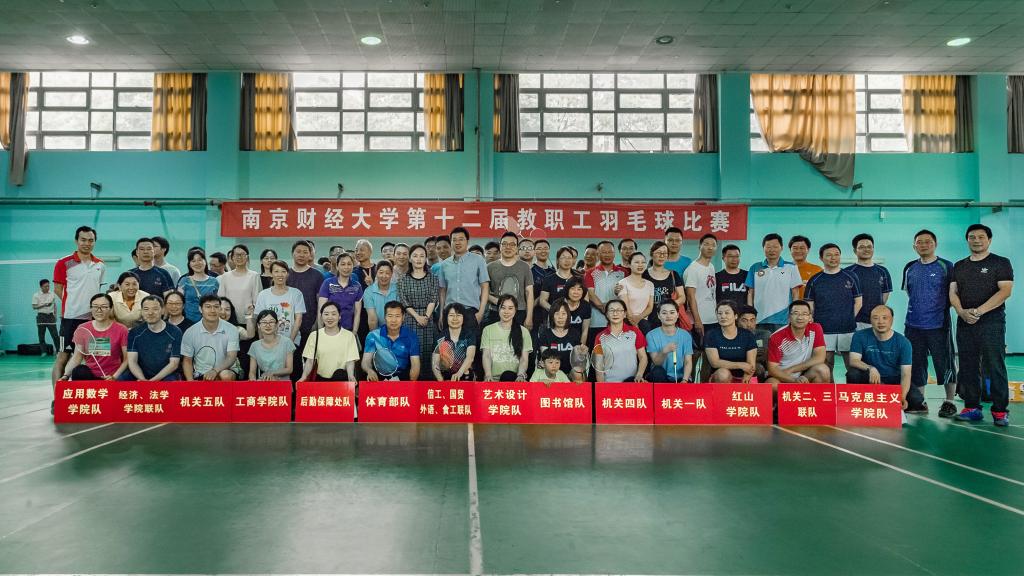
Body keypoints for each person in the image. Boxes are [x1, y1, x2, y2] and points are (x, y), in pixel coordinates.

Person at [951, 224, 1014, 426]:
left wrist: (978, 311)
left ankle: (1000, 411)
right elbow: (953, 292)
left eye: (981, 237)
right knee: (967, 366)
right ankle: (972, 407)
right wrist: (961, 312)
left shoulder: (1000, 262)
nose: (976, 240)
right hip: (965, 323)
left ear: (989, 240)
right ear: (967, 240)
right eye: (972, 237)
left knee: (994, 365)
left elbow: (1005, 291)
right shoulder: (959, 266)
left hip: (991, 323)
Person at [901, 229, 957, 417]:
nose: (923, 245)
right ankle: (920, 401)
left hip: (939, 325)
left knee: (945, 363)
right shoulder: (909, 267)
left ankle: (950, 401)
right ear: (914, 246)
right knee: (916, 364)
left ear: (935, 244)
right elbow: (909, 292)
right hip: (913, 325)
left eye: (928, 241)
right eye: (919, 242)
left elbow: (953, 294)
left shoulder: (946, 266)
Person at [803, 243, 862, 381]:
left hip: (847, 328)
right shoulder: (815, 279)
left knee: (852, 366)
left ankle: (851, 393)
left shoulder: (851, 276)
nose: (833, 258)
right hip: (824, 329)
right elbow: (810, 306)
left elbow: (859, 302)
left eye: (836, 254)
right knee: (827, 364)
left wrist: (848, 317)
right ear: (821, 258)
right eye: (829, 255)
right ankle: (829, 393)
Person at [847, 305, 912, 409]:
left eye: (885, 318)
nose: (880, 322)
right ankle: (858, 403)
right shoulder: (859, 336)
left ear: (892, 320)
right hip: (871, 378)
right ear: (870, 320)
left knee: (916, 400)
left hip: (893, 379)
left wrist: (901, 397)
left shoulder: (903, 342)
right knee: (853, 374)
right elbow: (853, 360)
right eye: (876, 318)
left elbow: (906, 374)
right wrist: (871, 368)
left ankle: (883, 396)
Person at [59, 293, 128, 381]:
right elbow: (77, 357)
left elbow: (127, 359)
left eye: (104, 307)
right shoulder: (83, 328)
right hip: (90, 376)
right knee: (79, 371)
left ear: (111, 308)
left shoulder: (121, 329)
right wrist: (66, 376)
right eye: (95, 306)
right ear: (91, 308)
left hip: (113, 376)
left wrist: (114, 376)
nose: (99, 310)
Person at [746, 233, 802, 333]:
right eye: (768, 247)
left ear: (781, 248)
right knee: (761, 343)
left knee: (782, 343)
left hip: (783, 319)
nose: (772, 250)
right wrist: (750, 314)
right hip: (759, 318)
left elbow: (795, 293)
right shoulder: (755, 267)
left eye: (775, 247)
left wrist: (793, 314)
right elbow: (750, 292)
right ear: (763, 248)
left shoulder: (791, 267)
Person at [437, 226, 490, 334]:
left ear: (467, 241)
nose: (457, 242)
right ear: (451, 242)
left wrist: (480, 313)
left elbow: (485, 287)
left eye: (461, 239)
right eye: (454, 240)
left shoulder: (478, 260)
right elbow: (442, 290)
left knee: (470, 343)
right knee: (449, 344)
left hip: (470, 312)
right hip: (449, 312)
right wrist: (441, 314)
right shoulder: (444, 264)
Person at [765, 300, 830, 386]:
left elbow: (819, 357)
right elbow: (772, 369)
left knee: (823, 370)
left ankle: (812, 395)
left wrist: (792, 369)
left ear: (810, 317)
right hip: (783, 375)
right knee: (771, 385)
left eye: (804, 314)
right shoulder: (776, 337)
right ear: (789, 317)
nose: (800, 317)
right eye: (796, 313)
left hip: (804, 374)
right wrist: (794, 380)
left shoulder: (815, 329)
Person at [181, 294, 241, 381]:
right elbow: (187, 360)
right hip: (201, 373)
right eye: (208, 307)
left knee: (225, 375)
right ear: (200, 309)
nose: (212, 310)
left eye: (216, 307)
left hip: (227, 370)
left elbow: (231, 357)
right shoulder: (190, 332)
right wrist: (190, 381)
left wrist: (215, 370)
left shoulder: (231, 329)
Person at [397, 244, 439, 369]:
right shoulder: (403, 279)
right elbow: (404, 301)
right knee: (411, 351)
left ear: (426, 258)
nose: (418, 259)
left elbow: (433, 299)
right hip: (410, 318)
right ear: (410, 259)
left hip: (428, 319)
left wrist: (426, 316)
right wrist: (417, 317)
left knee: (428, 352)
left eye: (422, 256)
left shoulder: (433, 278)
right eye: (415, 256)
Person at [123, 295, 182, 381]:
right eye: (146, 309)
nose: (150, 313)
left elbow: (174, 364)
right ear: (142, 311)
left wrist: (152, 382)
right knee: (121, 380)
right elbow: (132, 361)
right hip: (141, 374)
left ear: (163, 310)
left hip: (166, 374)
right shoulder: (135, 332)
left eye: (155, 309)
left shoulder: (175, 331)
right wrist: (142, 380)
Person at [298, 302, 360, 383]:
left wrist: (351, 376)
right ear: (321, 316)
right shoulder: (314, 335)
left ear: (339, 316)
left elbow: (350, 361)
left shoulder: (349, 336)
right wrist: (304, 377)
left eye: (334, 314)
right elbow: (310, 361)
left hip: (341, 380)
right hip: (321, 380)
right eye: (326, 314)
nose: (330, 317)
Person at [585, 240, 628, 349]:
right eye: (604, 252)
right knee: (596, 353)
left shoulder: (623, 273)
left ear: (614, 254)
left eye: (610, 252)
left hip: (618, 322)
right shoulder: (590, 273)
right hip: (596, 322)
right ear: (598, 254)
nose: (607, 255)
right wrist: (606, 309)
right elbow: (591, 295)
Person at [362, 301, 421, 381]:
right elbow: (365, 362)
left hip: (404, 378)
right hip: (380, 378)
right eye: (390, 316)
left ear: (403, 317)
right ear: (385, 317)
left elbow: (415, 365)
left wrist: (410, 384)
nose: (393, 320)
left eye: (397, 316)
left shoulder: (411, 336)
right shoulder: (373, 336)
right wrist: (369, 370)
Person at [486, 232, 535, 328]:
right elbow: (483, 292)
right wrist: (498, 301)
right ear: (500, 246)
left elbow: (529, 293)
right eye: (504, 244)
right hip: (496, 311)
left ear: (517, 248)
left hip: (519, 312)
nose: (508, 247)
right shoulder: (490, 267)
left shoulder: (525, 267)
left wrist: (529, 317)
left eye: (512, 244)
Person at [845, 233, 893, 331]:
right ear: (855, 250)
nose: (866, 249)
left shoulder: (883, 271)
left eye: (869, 247)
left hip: (876, 322)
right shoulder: (848, 272)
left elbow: (885, 294)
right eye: (862, 247)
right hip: (854, 321)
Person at [594, 298, 648, 383]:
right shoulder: (599, 337)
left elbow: (643, 357)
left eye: (619, 310)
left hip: (631, 383)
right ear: (607, 314)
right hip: (609, 384)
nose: (615, 313)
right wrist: (602, 387)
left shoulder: (635, 332)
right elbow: (599, 367)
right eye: (611, 310)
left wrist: (639, 375)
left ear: (625, 314)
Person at [481, 295, 533, 381]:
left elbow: (524, 358)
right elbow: (486, 355)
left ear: (515, 310)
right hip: (493, 380)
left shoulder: (524, 331)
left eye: (510, 308)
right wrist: (488, 375)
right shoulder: (488, 330)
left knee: (508, 376)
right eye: (503, 308)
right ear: (498, 309)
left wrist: (520, 375)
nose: (506, 311)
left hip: (515, 380)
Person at [704, 301, 757, 384]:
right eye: (719, 313)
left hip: (743, 376)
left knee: (751, 382)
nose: (723, 316)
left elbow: (751, 364)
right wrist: (740, 365)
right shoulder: (711, 335)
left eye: (727, 313)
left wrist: (747, 376)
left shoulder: (748, 335)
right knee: (723, 374)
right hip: (721, 378)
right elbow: (715, 362)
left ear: (736, 316)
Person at [254, 260, 306, 345]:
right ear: (271, 274)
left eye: (283, 271)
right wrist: (262, 343)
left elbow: (298, 319)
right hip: (269, 342)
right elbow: (260, 320)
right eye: (276, 271)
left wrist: (290, 343)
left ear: (287, 274)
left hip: (291, 340)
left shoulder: (296, 293)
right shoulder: (263, 294)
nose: (280, 275)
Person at [287, 240, 324, 347]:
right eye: (298, 251)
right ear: (292, 253)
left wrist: (317, 323)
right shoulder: (285, 274)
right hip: (288, 326)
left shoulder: (317, 275)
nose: (301, 255)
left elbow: (321, 302)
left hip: (310, 325)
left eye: (305, 252)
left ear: (310, 255)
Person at [645, 301, 694, 383]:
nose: (668, 316)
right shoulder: (651, 335)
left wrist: (685, 380)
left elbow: (688, 361)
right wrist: (664, 351)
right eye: (664, 313)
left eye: (672, 312)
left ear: (677, 315)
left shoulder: (685, 335)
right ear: (658, 315)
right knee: (657, 371)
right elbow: (656, 362)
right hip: (660, 377)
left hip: (680, 377)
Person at [684, 233, 719, 345]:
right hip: (699, 321)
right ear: (699, 246)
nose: (710, 247)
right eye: (706, 244)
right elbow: (690, 296)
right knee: (700, 352)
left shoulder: (711, 266)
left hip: (713, 319)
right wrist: (697, 320)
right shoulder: (693, 269)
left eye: (713, 245)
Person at [535, 299, 582, 381]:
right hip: (552, 372)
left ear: (568, 316)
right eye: (557, 314)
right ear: (552, 316)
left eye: (563, 314)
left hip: (569, 373)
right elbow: (546, 357)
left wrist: (582, 353)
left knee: (577, 373)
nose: (560, 317)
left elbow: (578, 360)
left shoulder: (574, 333)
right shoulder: (545, 334)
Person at [317, 252, 363, 332]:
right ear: (337, 266)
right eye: (343, 264)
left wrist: (354, 332)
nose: (346, 267)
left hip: (348, 329)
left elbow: (357, 312)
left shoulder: (357, 286)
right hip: (328, 329)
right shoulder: (328, 283)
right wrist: (320, 331)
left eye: (349, 264)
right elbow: (321, 309)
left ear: (353, 266)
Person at [644, 241, 687, 328]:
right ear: (652, 254)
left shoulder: (673, 274)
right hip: (648, 321)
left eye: (664, 253)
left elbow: (682, 297)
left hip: (669, 320)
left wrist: (669, 305)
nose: (662, 256)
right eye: (659, 253)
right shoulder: (643, 275)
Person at [432, 303, 478, 381]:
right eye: (451, 315)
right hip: (445, 377)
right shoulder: (439, 337)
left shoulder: (469, 335)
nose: (455, 319)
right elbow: (435, 363)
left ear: (463, 318)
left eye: (458, 315)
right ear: (446, 317)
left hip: (465, 376)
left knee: (467, 374)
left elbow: (470, 358)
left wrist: (459, 374)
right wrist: (441, 381)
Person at [246, 309, 295, 381]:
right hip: (264, 381)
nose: (268, 325)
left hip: (282, 383)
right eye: (264, 322)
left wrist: (272, 373)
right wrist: (253, 380)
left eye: (271, 322)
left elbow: (289, 369)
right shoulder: (254, 346)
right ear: (258, 325)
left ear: (277, 324)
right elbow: (252, 372)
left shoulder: (286, 342)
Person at [218, 244, 262, 323]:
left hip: (248, 319)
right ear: (232, 258)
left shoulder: (254, 275)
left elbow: (258, 300)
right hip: (228, 318)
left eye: (242, 254)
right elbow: (221, 299)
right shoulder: (225, 276)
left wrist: (252, 316)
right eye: (236, 255)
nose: (239, 257)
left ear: (247, 257)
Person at [615, 252, 654, 333]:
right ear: (629, 264)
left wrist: (638, 318)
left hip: (644, 322)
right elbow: (626, 307)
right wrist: (634, 324)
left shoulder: (650, 284)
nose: (640, 265)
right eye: (636, 262)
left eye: (643, 262)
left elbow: (650, 307)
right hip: (626, 321)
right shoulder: (622, 283)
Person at [177, 248, 220, 323]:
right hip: (188, 321)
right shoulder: (184, 281)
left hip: (209, 321)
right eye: (193, 261)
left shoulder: (214, 282)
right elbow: (178, 302)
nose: (197, 263)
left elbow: (218, 302)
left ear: (205, 262)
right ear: (189, 264)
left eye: (200, 260)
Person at [538, 246, 577, 321]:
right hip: (555, 319)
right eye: (563, 257)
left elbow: (584, 301)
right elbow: (542, 301)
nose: (566, 260)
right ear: (558, 260)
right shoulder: (549, 279)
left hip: (575, 318)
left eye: (569, 258)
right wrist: (555, 311)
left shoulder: (578, 279)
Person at [364, 259, 398, 331]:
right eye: (381, 272)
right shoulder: (369, 291)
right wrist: (376, 336)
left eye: (387, 273)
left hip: (397, 330)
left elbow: (399, 314)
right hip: (378, 331)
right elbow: (372, 319)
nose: (384, 276)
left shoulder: (398, 289)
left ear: (391, 274)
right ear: (376, 273)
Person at [737, 305, 770, 381]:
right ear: (737, 320)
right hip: (737, 366)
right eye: (744, 320)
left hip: (758, 367)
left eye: (752, 320)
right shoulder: (732, 335)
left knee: (758, 368)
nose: (749, 325)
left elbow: (764, 357)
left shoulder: (764, 335)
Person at [789, 235, 821, 299]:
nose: (798, 251)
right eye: (795, 248)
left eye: (802, 248)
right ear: (790, 250)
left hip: (810, 305)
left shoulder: (818, 270)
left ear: (808, 250)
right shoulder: (784, 269)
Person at [562, 277, 592, 345]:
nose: (576, 292)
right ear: (567, 290)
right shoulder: (559, 304)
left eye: (579, 289)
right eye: (572, 289)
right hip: (560, 343)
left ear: (583, 292)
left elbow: (585, 330)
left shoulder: (586, 306)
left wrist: (581, 346)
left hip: (578, 341)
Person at [33, 279, 58, 354]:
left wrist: (55, 315)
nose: (47, 288)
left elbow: (54, 305)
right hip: (41, 316)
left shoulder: (52, 294)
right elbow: (34, 306)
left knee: (55, 335)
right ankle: (43, 352)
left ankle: (58, 351)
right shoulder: (36, 295)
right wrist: (45, 305)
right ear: (41, 287)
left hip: (51, 316)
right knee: (41, 335)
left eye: (48, 286)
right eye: (45, 286)